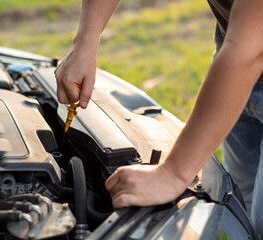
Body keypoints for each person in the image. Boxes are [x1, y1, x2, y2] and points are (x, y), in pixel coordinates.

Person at [54, 0, 263, 238]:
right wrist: (85, 42)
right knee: (246, 200)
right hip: (236, 56)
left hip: (243, 56)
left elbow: (248, 52)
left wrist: (172, 175)